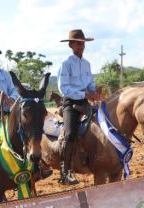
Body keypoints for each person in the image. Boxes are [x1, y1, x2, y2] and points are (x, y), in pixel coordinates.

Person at [0, 43, 52, 190]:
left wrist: (12, 98)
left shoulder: (4, 74)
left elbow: (15, 91)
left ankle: (38, 166)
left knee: (29, 131)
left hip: (7, 117)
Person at [57, 29, 100, 185]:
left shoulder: (87, 64)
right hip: (70, 102)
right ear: (71, 45)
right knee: (69, 134)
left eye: (83, 43)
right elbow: (64, 88)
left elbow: (90, 83)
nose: (81, 46)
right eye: (78, 43)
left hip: (86, 102)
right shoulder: (65, 64)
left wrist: (94, 91)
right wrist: (84, 95)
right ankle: (65, 172)